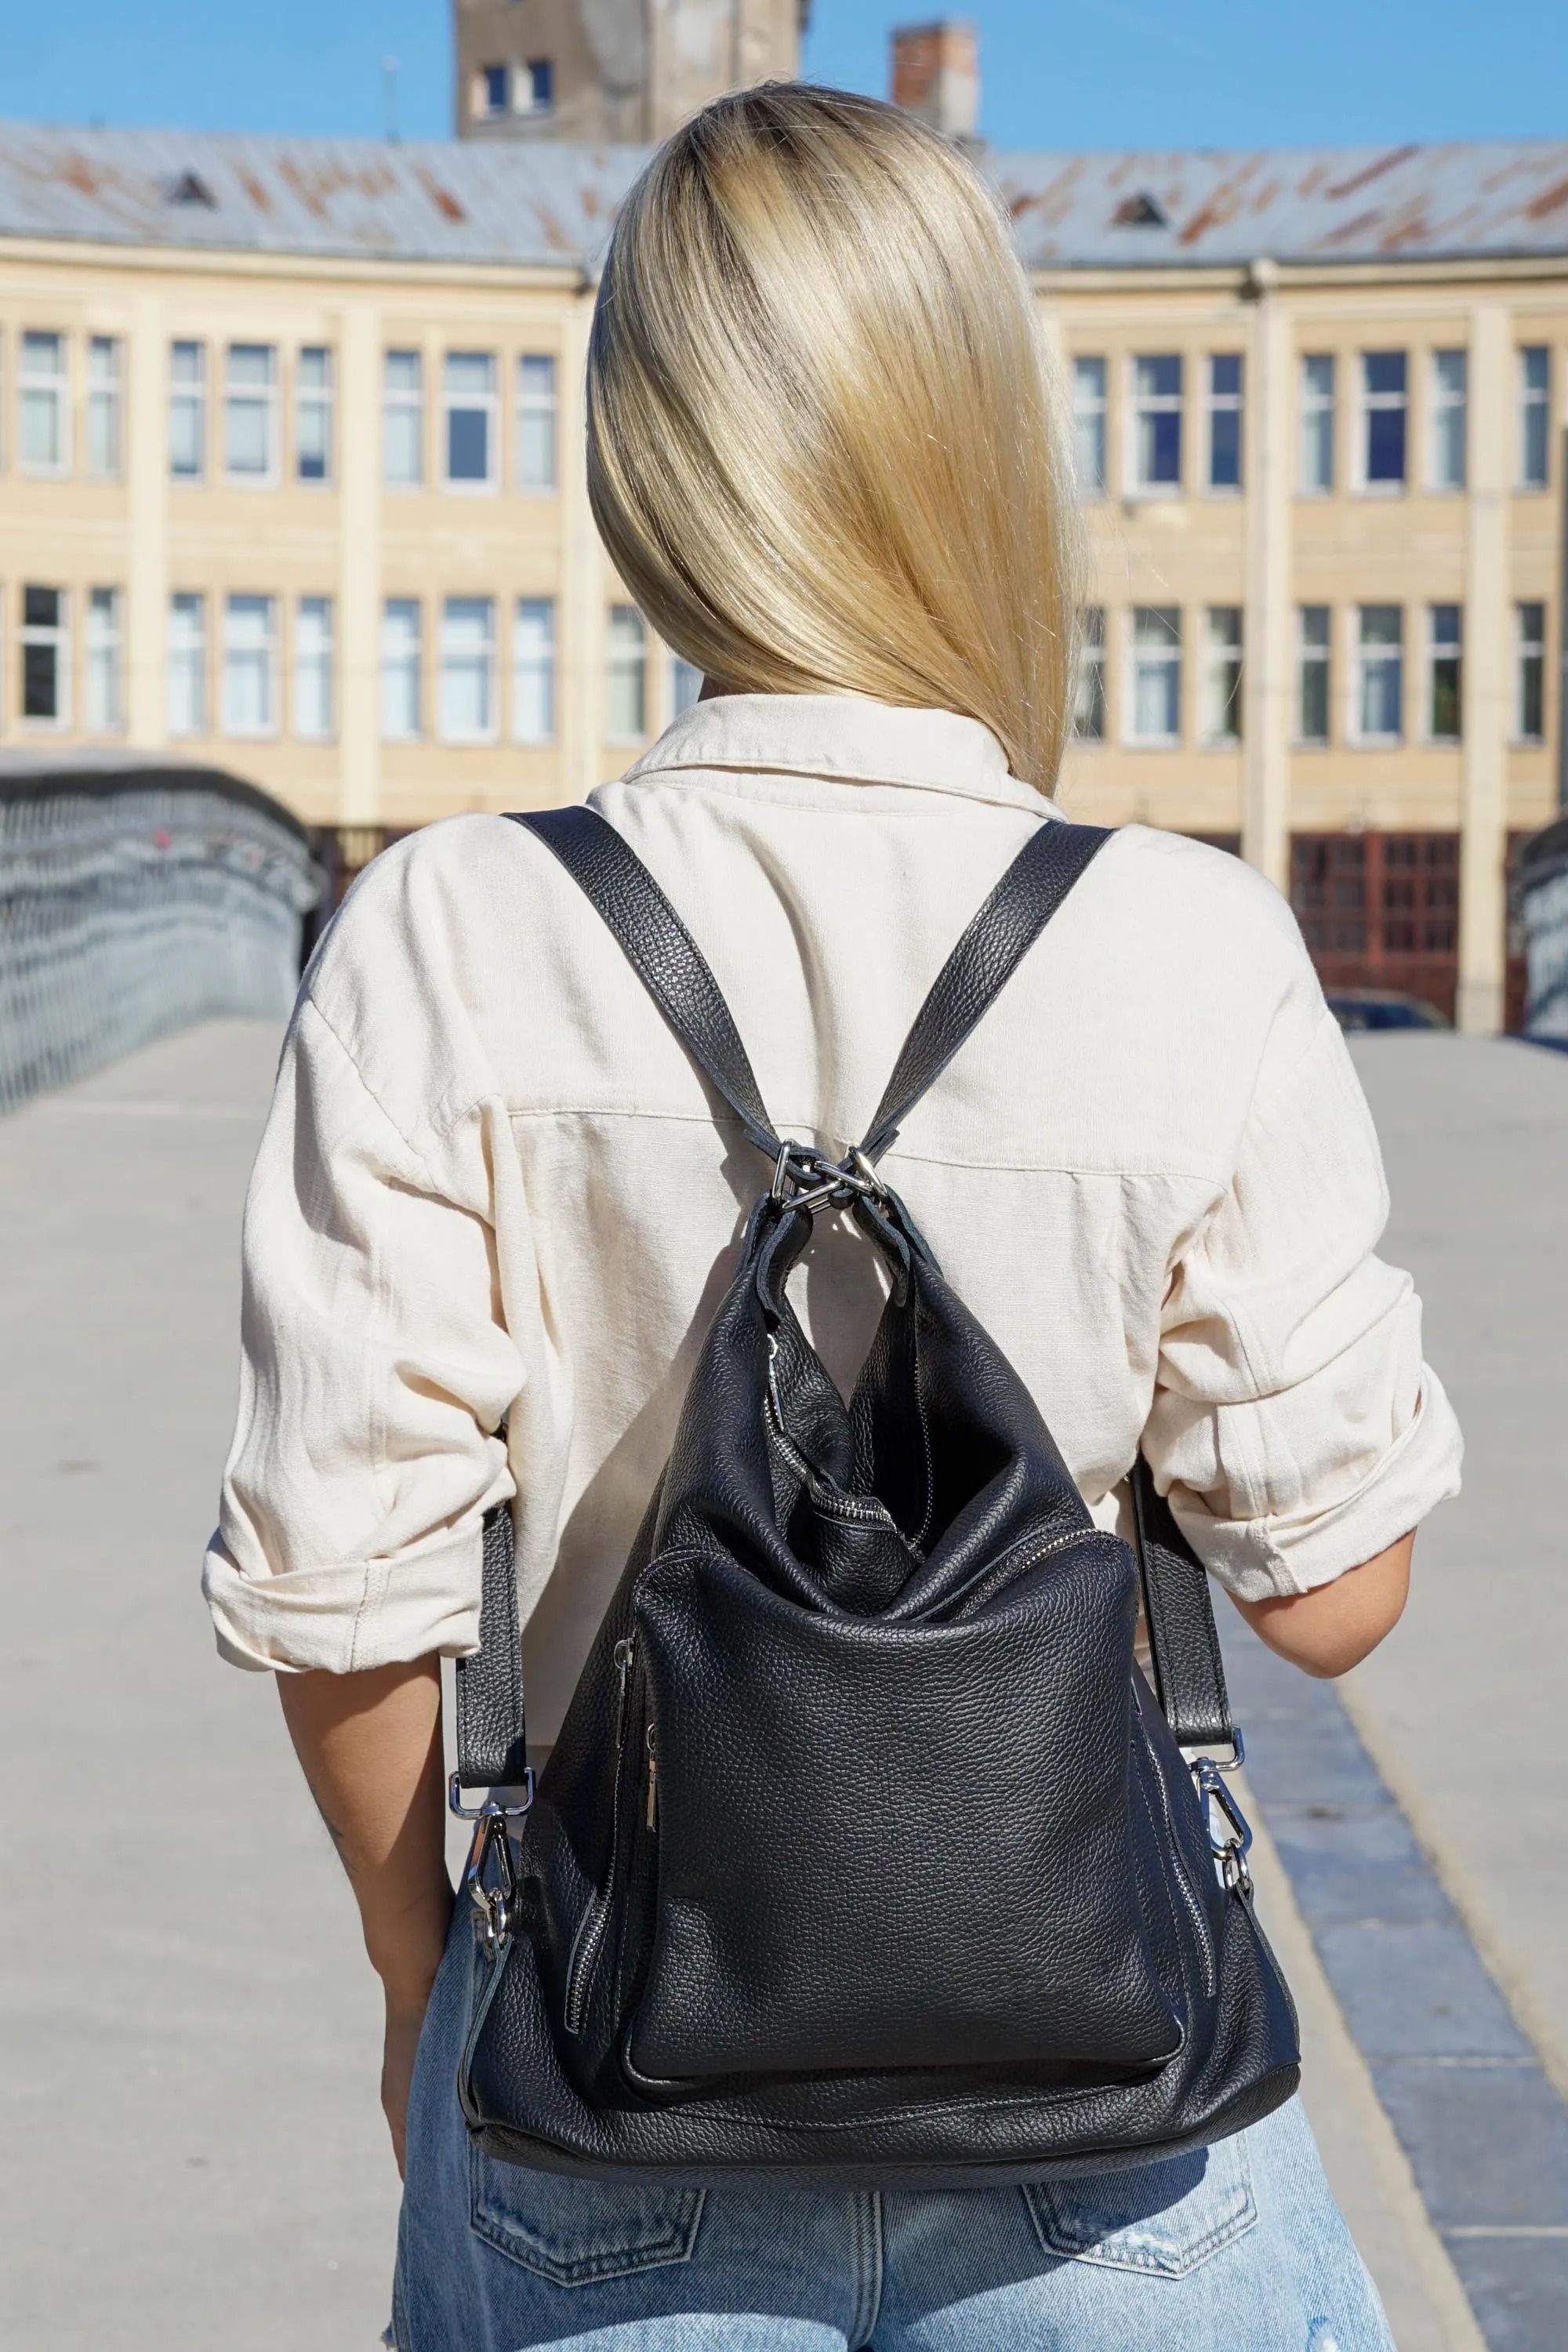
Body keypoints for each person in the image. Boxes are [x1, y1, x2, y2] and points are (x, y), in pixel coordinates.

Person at [204, 82, 1462, 2351]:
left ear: (642, 459)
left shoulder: (441, 931)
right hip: (1109, 2133)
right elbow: (1338, 1598)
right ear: (975, 436)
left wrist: (432, 1980)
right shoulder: (1184, 942)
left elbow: (340, 1605)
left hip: (607, 2078)